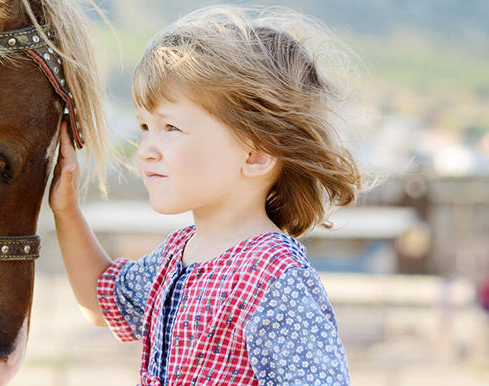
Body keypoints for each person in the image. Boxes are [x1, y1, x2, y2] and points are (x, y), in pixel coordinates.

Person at [50, 6, 360, 385]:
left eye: (171, 127)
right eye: (145, 126)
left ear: (256, 153)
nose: (147, 147)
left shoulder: (274, 278)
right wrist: (66, 212)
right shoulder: (174, 255)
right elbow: (103, 303)